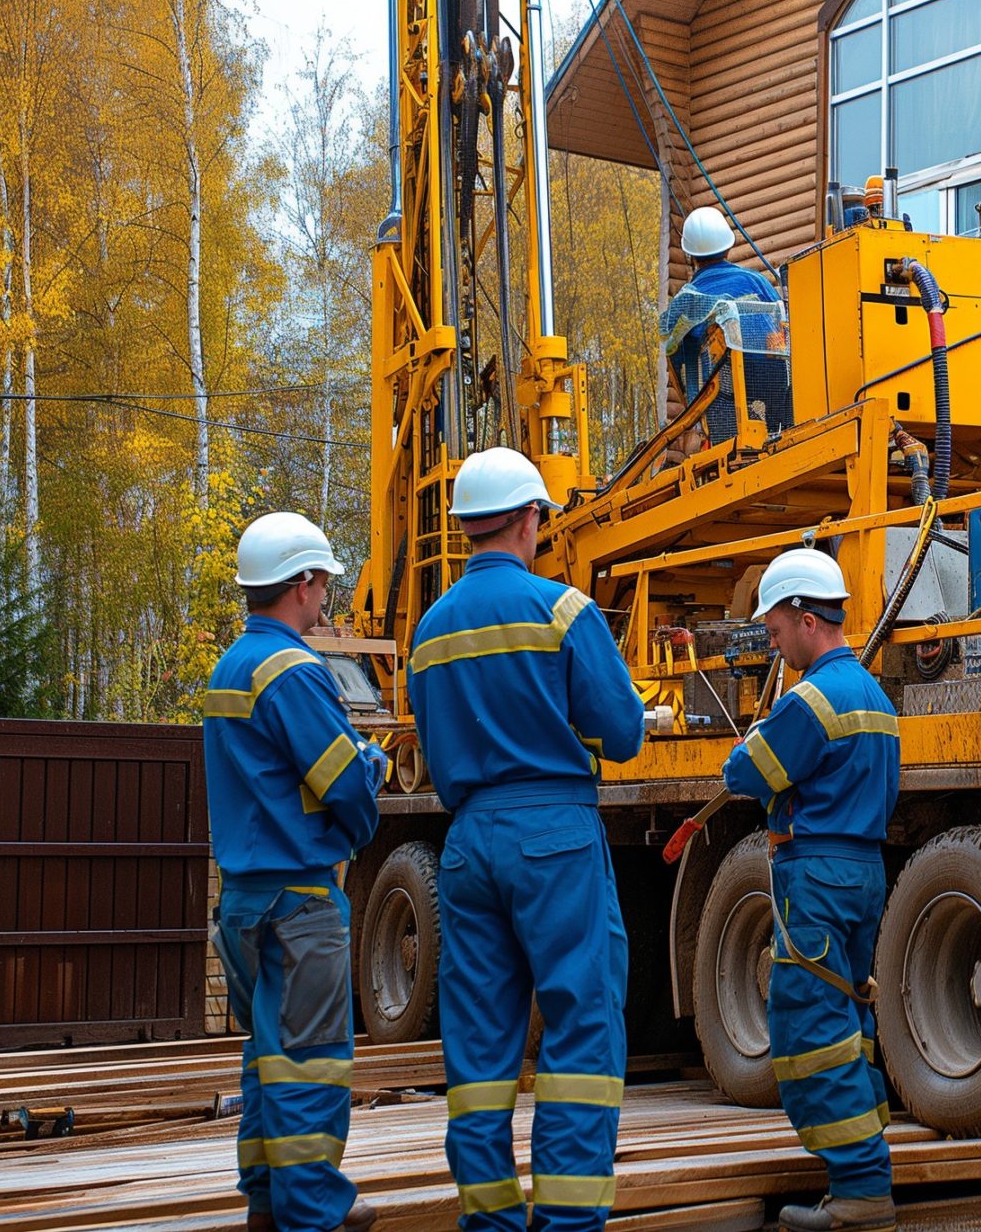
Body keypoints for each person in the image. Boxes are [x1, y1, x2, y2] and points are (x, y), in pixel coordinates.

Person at [409, 447, 646, 1230]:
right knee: (580, 1029)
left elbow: (436, 749)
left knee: (477, 1049)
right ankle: (570, 1221)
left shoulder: (430, 631)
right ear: (530, 518)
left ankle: (490, 1219)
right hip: (553, 836)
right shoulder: (562, 610)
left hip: (469, 841)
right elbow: (621, 734)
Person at [203, 512, 388, 1232]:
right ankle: (313, 1210)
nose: (328, 600)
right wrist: (367, 792)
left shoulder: (231, 668)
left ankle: (266, 1197)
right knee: (310, 1059)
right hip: (300, 900)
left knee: (269, 1055)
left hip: (244, 901)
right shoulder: (295, 672)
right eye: (324, 585)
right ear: (302, 584)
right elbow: (342, 780)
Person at [720, 548, 902, 1232]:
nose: (774, 644)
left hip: (817, 877)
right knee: (850, 1026)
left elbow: (748, 773)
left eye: (774, 632)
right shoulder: (876, 699)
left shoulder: (811, 700)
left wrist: (748, 750)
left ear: (805, 619)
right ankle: (863, 1172)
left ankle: (861, 1187)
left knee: (809, 1031)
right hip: (863, 873)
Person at [660, 205, 781, 439]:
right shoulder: (757, 282)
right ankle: (781, 429)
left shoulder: (686, 300)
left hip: (721, 393)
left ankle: (722, 438)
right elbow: (782, 327)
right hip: (771, 381)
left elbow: (675, 359)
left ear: (690, 256)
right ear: (728, 248)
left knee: (715, 389)